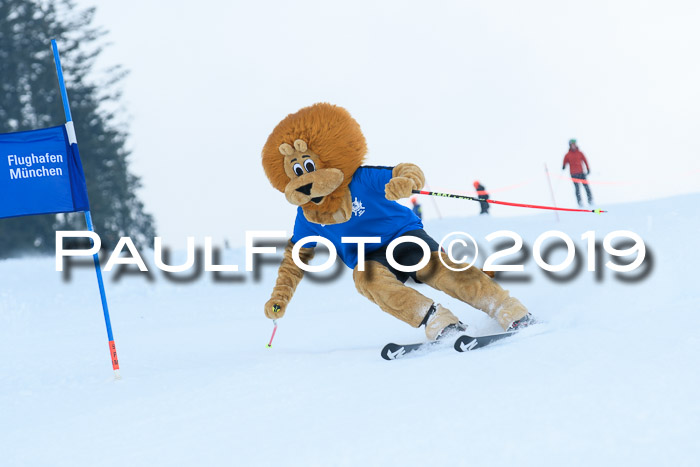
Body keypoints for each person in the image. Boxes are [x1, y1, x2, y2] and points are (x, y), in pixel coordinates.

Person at [562, 139, 593, 207]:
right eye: (572, 145)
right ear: (570, 146)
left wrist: (588, 168)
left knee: (586, 187)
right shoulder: (567, 155)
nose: (573, 146)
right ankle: (580, 203)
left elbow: (585, 160)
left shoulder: (580, 153)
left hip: (581, 173)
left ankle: (590, 200)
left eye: (574, 144)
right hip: (573, 174)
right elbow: (565, 161)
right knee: (577, 189)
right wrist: (563, 166)